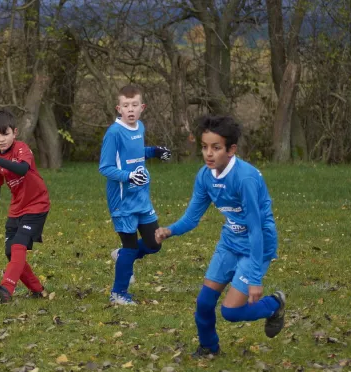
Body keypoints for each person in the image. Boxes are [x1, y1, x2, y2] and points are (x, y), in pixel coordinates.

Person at [155, 114, 286, 358]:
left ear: (231, 149)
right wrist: (169, 230)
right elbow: (192, 217)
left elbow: (256, 229)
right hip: (229, 243)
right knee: (204, 304)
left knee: (231, 312)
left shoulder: (244, 178)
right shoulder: (205, 176)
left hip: (257, 245)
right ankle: (209, 348)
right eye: (204, 147)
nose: (209, 154)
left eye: (216, 148)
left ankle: (274, 305)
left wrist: (256, 277)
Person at [99, 84, 172, 306]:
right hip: (122, 200)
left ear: (142, 107)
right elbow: (105, 168)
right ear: (118, 108)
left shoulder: (139, 127)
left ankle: (121, 256)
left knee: (154, 242)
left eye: (134, 105)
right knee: (131, 247)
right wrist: (129, 177)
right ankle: (118, 293)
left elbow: (136, 153)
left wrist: (155, 152)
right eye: (125, 106)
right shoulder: (113, 133)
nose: (130, 109)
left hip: (142, 197)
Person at [0, 109, 50, 304]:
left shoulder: (22, 149)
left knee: (18, 245)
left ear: (14, 133)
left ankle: (6, 289)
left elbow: (22, 169)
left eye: (5, 134)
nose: (1, 139)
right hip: (17, 208)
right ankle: (37, 290)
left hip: (37, 204)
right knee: (10, 252)